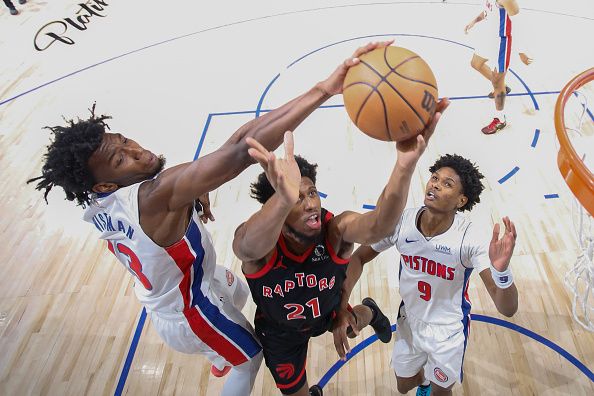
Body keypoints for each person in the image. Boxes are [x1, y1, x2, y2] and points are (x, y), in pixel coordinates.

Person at [27, 40, 394, 396]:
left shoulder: (100, 201)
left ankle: (217, 350)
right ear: (108, 180)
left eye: (124, 140)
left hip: (188, 284)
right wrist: (324, 89)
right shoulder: (155, 197)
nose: (136, 150)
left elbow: (176, 188)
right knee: (249, 358)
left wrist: (186, 198)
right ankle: (221, 353)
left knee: (235, 288)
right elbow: (239, 150)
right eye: (122, 158)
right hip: (190, 309)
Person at [233, 97, 449, 396]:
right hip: (280, 331)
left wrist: (403, 167)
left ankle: (369, 313)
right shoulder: (262, 242)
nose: (311, 204)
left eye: (311, 193)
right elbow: (244, 250)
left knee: (347, 325)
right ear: (277, 206)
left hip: (327, 308)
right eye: (297, 197)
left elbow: (379, 226)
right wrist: (283, 198)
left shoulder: (335, 229)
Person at [335, 154, 518, 396]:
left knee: (441, 392)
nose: (435, 184)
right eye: (434, 178)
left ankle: (431, 384)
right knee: (404, 386)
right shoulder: (403, 222)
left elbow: (507, 308)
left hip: (448, 331)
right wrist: (340, 303)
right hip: (410, 319)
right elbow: (358, 257)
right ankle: (374, 315)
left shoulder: (470, 238)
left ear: (461, 201)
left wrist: (501, 271)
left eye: (447, 184)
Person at [464, 0, 532, 134]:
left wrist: (521, 51)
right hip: (489, 39)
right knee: (475, 64)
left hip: (502, 42)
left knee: (497, 82)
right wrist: (475, 20)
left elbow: (518, 24)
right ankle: (502, 87)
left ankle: (500, 119)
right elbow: (488, 11)